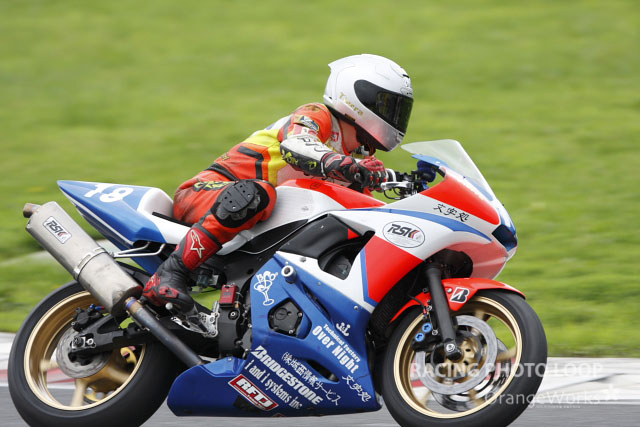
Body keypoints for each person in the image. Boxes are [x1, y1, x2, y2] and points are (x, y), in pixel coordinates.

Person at [142, 54, 414, 315]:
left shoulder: (354, 160)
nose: (394, 116)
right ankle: (170, 272)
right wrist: (348, 166)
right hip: (206, 193)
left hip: (251, 222)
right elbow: (297, 146)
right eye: (387, 105)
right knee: (256, 194)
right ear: (356, 98)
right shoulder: (317, 115)